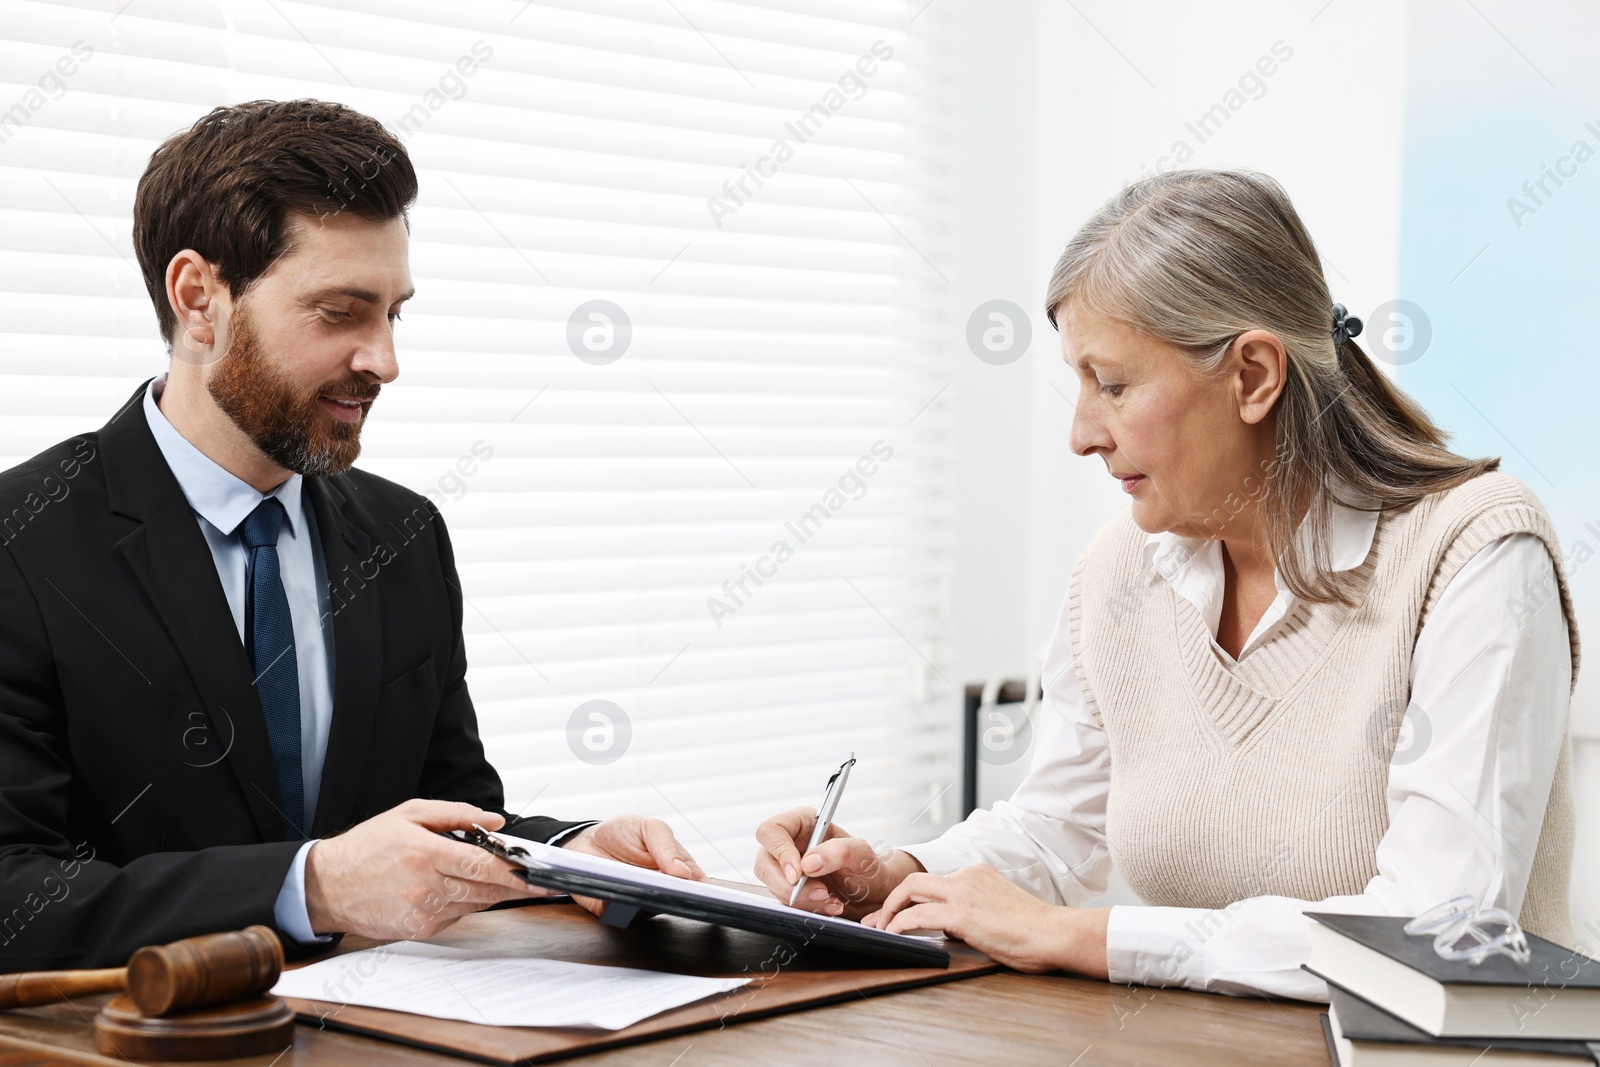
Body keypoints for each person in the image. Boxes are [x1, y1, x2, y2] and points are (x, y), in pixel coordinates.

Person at [753, 168, 1579, 1000]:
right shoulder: (1120, 573)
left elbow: (1436, 929)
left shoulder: (1474, 555)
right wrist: (901, 873)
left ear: (1254, 375)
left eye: (1111, 384)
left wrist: (1083, 936)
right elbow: (1058, 828)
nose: (1080, 434)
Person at [0, 99, 704, 973]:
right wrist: (313, 884)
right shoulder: (22, 546)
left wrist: (566, 851)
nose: (384, 360)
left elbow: (449, 812)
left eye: (393, 313)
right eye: (341, 312)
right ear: (198, 299)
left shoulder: (403, 533)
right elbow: (12, 895)